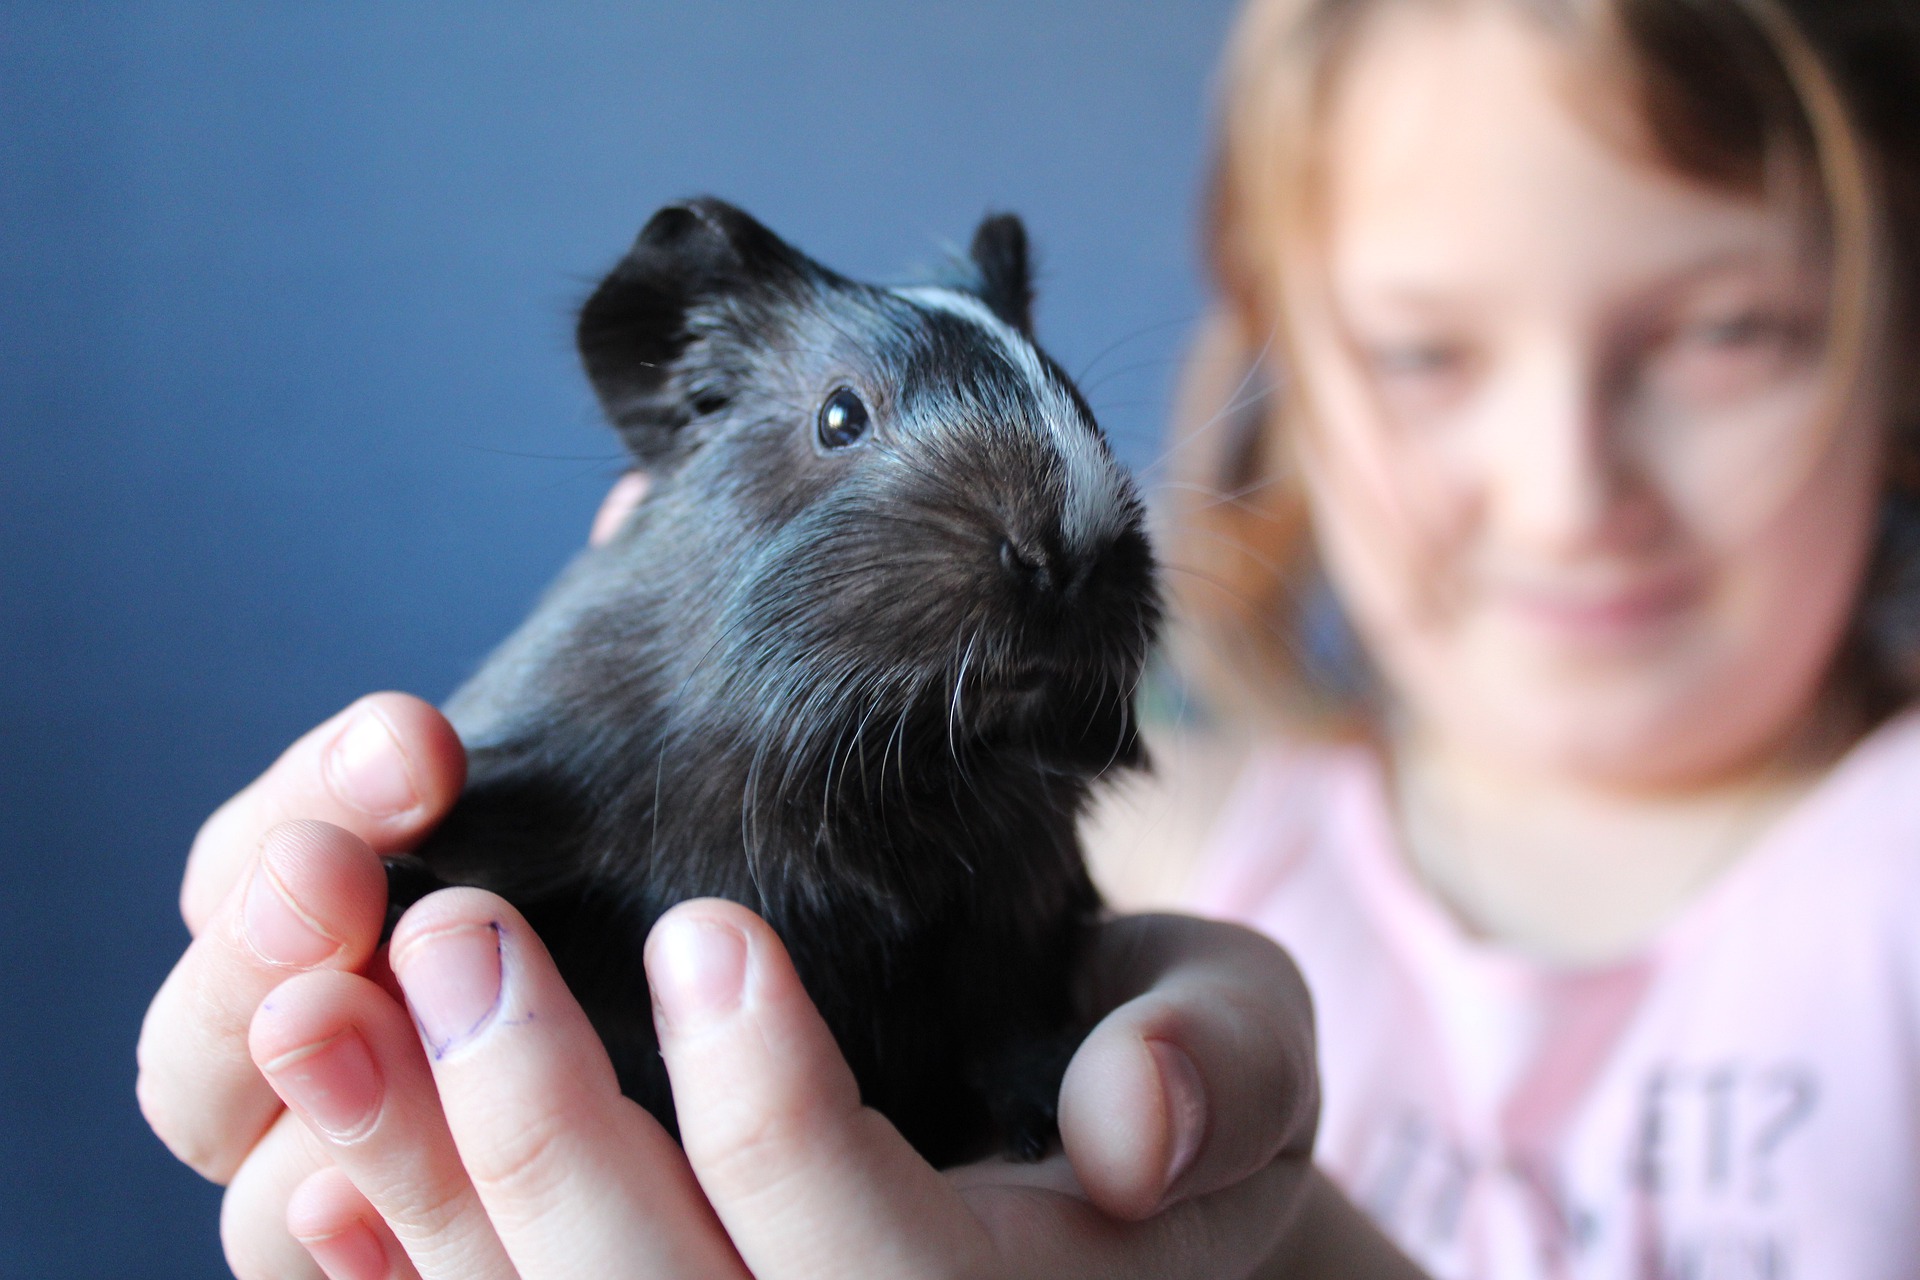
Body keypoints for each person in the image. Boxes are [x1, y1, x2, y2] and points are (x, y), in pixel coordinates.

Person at [135, 0, 1920, 1276]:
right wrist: (341, 1013)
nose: (1563, 490)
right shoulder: (1206, 840)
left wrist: (1283, 1247)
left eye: (1727, 331)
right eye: (1426, 350)